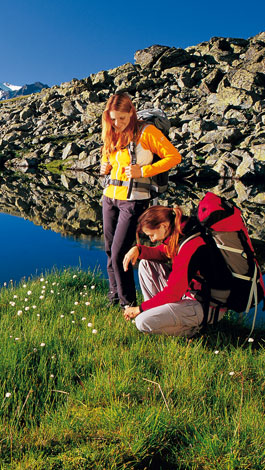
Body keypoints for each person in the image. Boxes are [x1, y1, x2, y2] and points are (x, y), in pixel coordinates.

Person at [99, 93, 181, 309]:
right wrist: (104, 166)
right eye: (113, 119)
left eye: (122, 119)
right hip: (109, 197)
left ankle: (129, 305)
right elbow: (107, 157)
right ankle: (114, 298)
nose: (117, 123)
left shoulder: (146, 132)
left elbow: (174, 156)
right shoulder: (111, 131)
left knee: (119, 253)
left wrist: (143, 170)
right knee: (109, 250)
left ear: (131, 113)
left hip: (134, 200)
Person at [121, 205, 223, 337]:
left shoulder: (191, 245)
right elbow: (163, 253)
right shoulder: (182, 233)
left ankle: (195, 329)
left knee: (142, 322)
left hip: (205, 306)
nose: (152, 240)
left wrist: (139, 309)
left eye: (152, 235)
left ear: (163, 226)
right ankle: (157, 314)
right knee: (146, 263)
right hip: (189, 296)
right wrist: (139, 250)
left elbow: (173, 293)